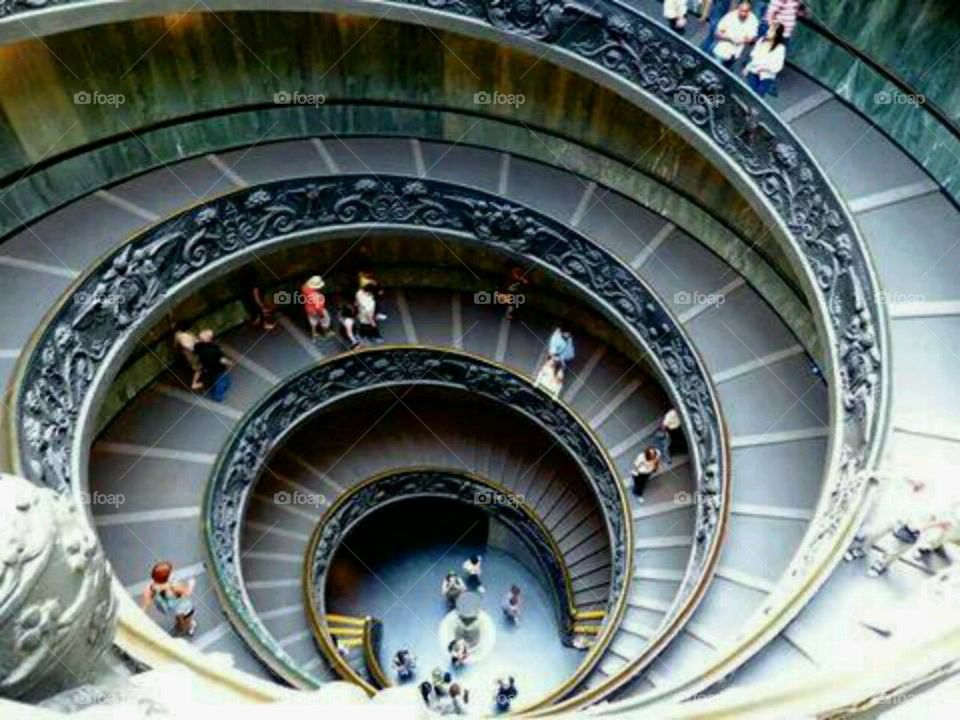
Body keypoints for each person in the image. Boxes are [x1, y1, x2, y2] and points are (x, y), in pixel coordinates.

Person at [140, 561, 197, 637]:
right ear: (167, 576)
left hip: (171, 609)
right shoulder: (174, 586)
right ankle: (189, 627)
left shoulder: (152, 587)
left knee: (178, 616)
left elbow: (146, 604)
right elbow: (187, 593)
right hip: (184, 607)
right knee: (188, 619)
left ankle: (179, 626)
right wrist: (191, 583)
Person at [743, 22, 787, 96]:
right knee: (750, 93)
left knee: (758, 95)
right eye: (769, 30)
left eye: (771, 31)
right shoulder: (761, 41)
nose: (768, 32)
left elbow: (778, 66)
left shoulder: (780, 48)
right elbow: (753, 56)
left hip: (767, 76)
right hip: (753, 71)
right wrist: (747, 68)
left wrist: (765, 68)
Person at [712, 2, 759, 68]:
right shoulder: (730, 16)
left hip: (736, 54)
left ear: (749, 11)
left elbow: (752, 38)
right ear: (738, 9)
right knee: (715, 70)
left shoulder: (753, 20)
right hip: (722, 51)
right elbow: (717, 33)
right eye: (741, 10)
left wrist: (743, 40)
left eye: (745, 11)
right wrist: (731, 39)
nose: (743, 13)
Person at [192, 329, 232, 402]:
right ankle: (218, 397)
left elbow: (195, 352)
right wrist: (229, 362)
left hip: (207, 367)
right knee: (221, 381)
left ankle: (218, 385)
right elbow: (221, 360)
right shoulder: (214, 349)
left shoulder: (198, 346)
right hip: (217, 368)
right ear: (209, 338)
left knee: (219, 379)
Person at [301, 275, 330, 340]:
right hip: (316, 311)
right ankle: (325, 333)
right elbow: (319, 308)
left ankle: (314, 336)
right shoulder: (317, 296)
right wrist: (321, 315)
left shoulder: (305, 287)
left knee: (313, 322)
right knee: (325, 320)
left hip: (308, 309)